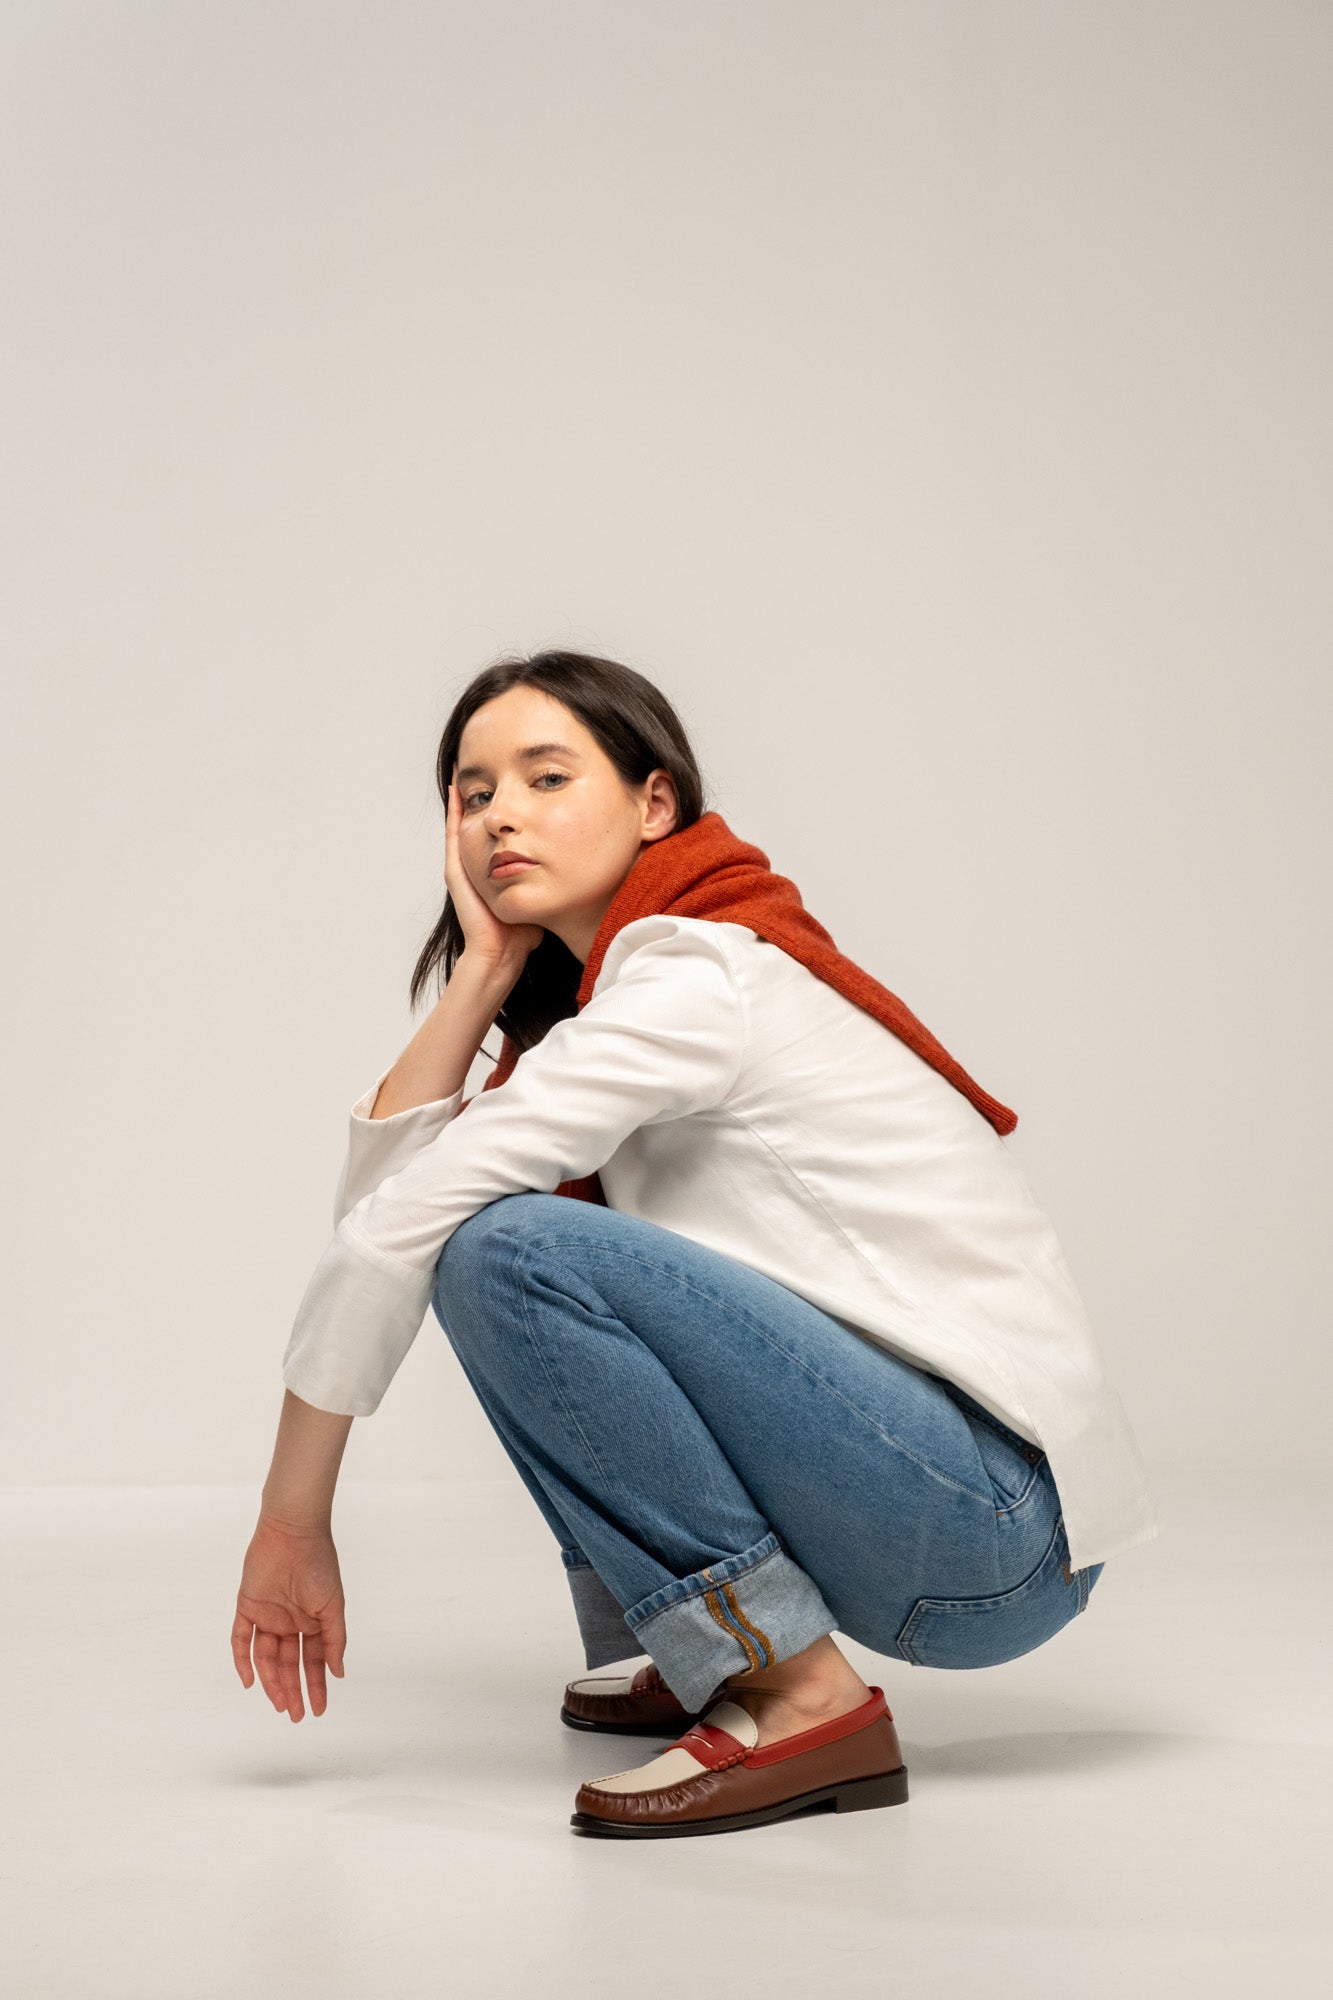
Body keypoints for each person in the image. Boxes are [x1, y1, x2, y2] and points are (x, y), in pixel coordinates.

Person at [231, 648, 1160, 1840]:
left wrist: (291, 1524)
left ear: (654, 800)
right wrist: (479, 979)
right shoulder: (614, 999)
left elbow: (399, 1230)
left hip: (994, 1524)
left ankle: (792, 1688)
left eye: (545, 775)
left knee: (508, 1250)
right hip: (953, 1503)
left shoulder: (692, 978)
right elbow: (390, 1207)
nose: (499, 812)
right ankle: (712, 1645)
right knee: (488, 1237)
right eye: (471, 793)